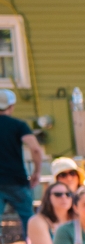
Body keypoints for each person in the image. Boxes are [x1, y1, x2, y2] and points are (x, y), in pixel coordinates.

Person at [0, 89, 43, 234]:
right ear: (11, 106)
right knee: (28, 219)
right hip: (15, 179)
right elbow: (35, 149)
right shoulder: (18, 125)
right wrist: (37, 171)